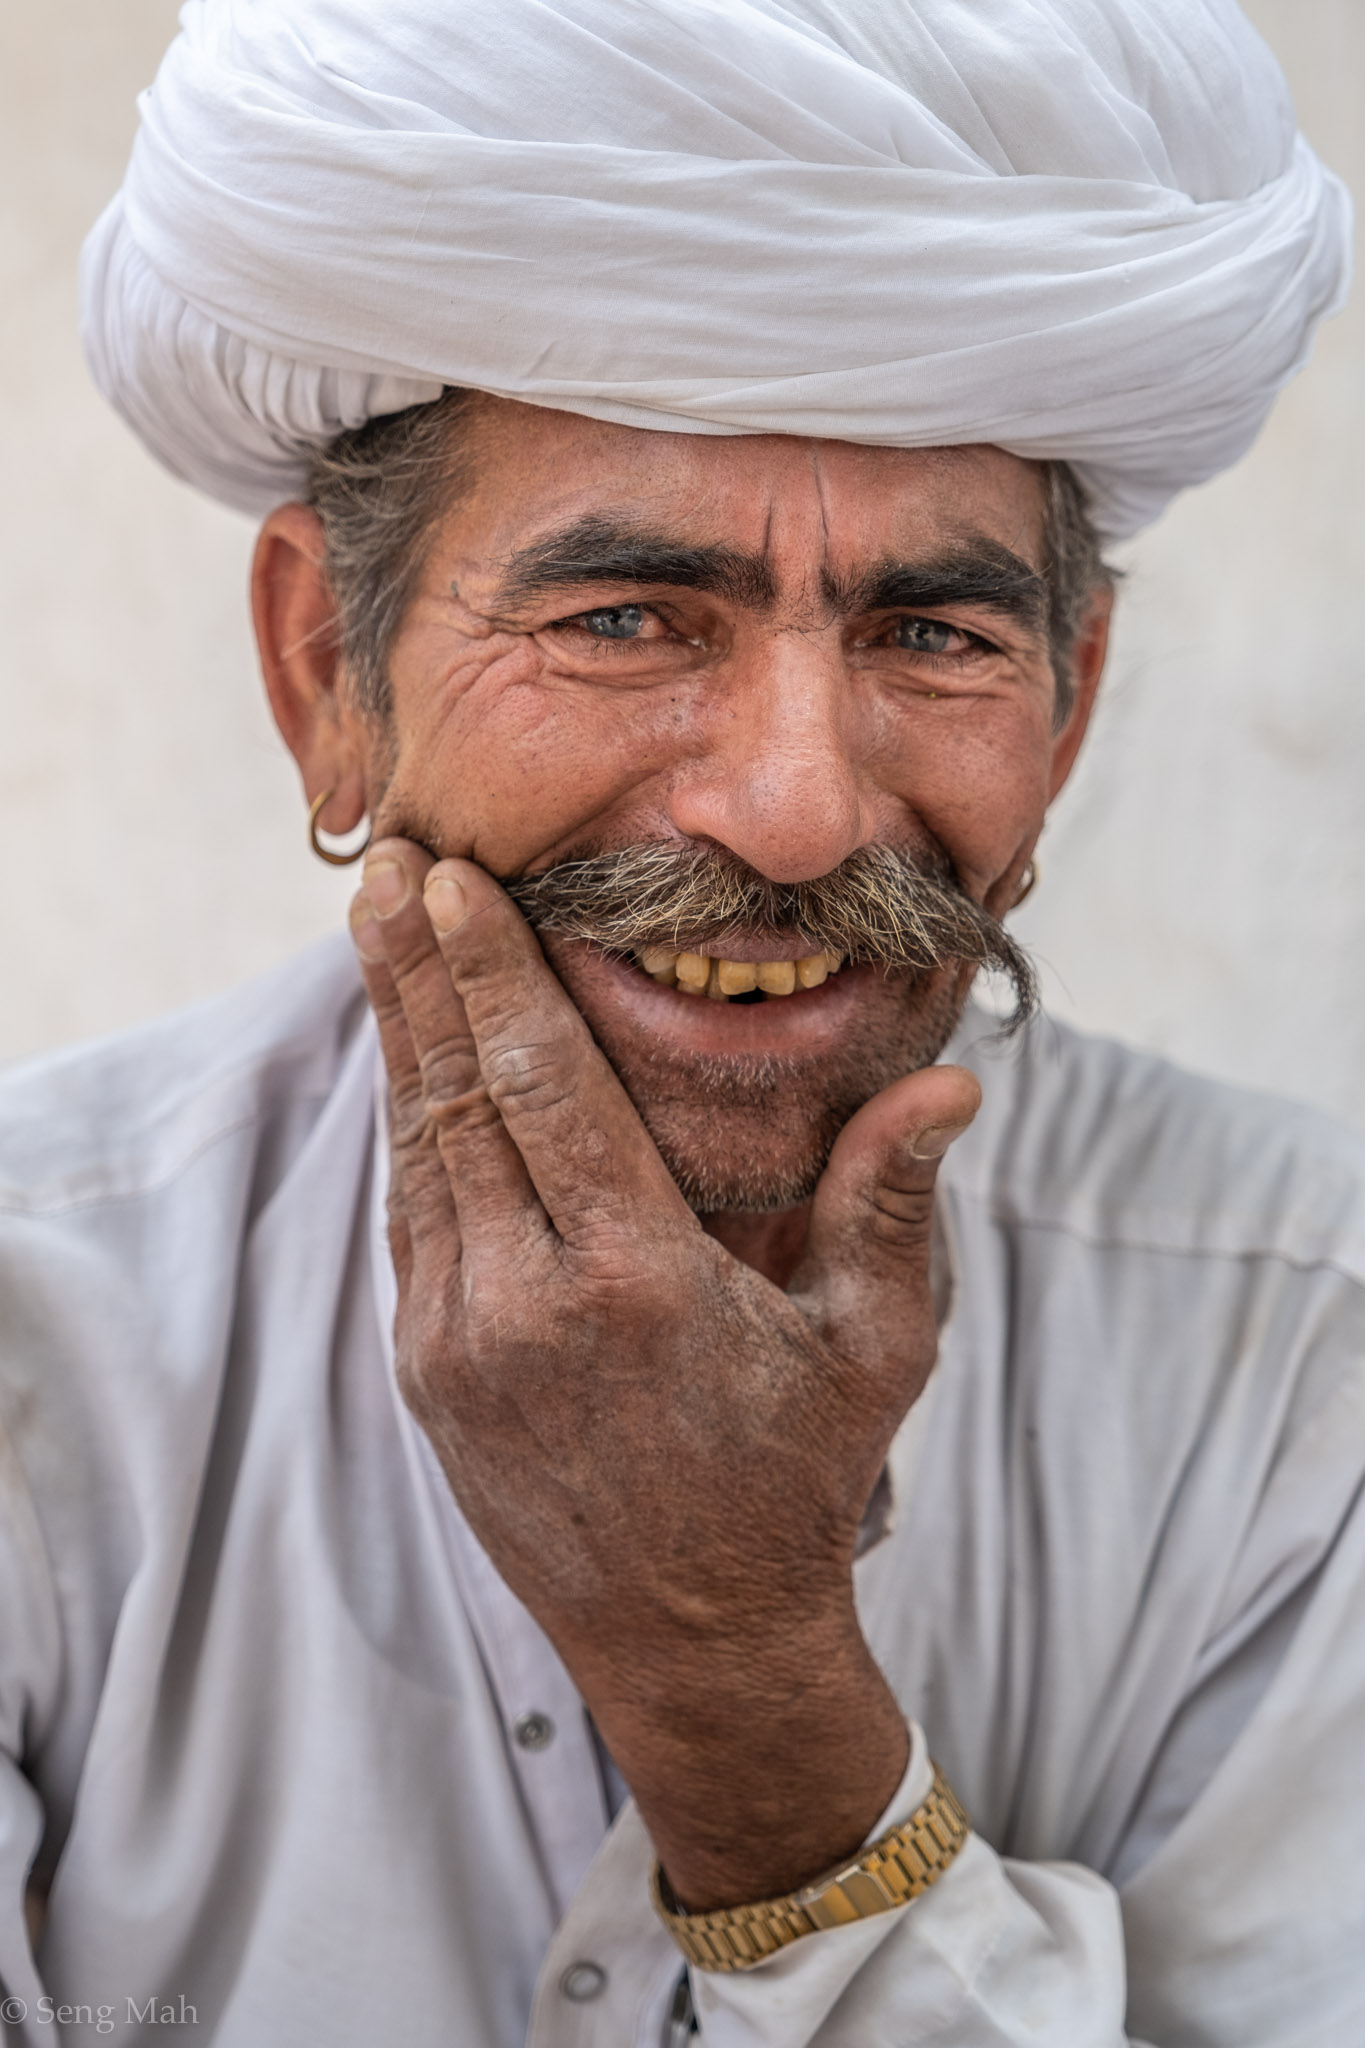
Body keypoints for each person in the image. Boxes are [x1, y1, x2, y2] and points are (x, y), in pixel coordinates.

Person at [1, 1, 1359, 2042]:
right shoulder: (41, 1328)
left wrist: (741, 1693)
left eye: (931, 634)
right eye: (626, 620)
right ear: (325, 673)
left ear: (1065, 710)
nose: (797, 804)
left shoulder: (1302, 1356)